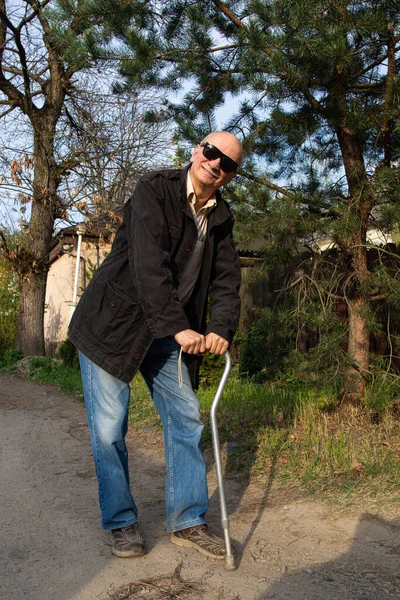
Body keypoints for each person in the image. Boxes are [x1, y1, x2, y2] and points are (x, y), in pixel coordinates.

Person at [69, 131, 243, 561]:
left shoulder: (221, 218)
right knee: (110, 429)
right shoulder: (153, 190)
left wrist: (220, 327)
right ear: (196, 151)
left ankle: (187, 520)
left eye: (228, 163)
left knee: (186, 418)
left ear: (230, 176)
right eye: (212, 152)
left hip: (167, 335)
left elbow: (226, 280)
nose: (216, 163)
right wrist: (179, 327)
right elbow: (149, 267)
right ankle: (121, 521)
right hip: (113, 325)